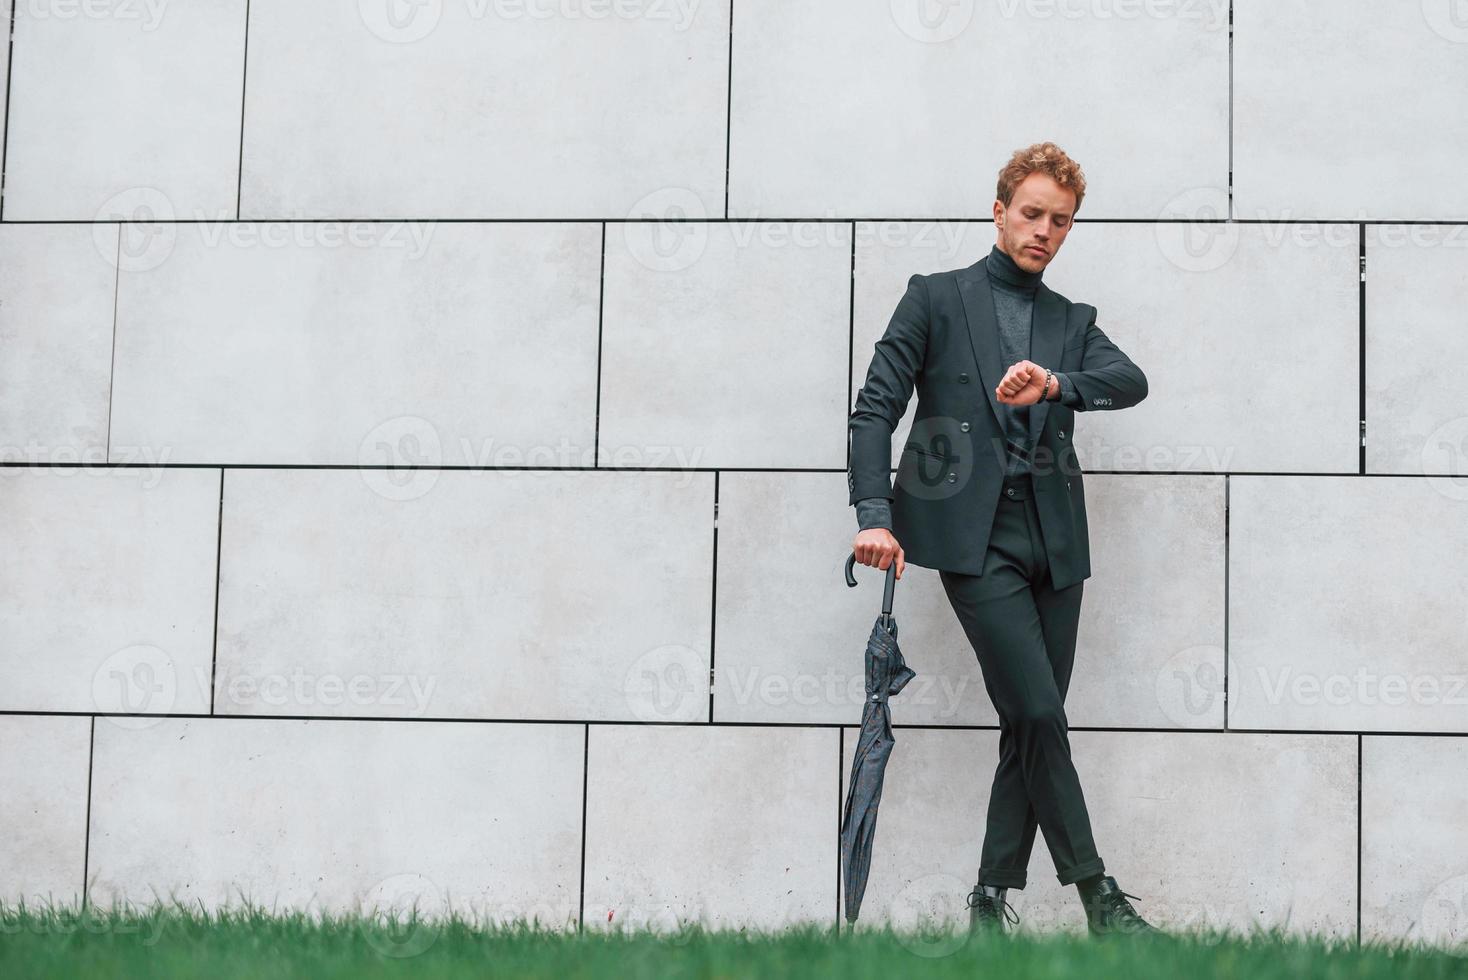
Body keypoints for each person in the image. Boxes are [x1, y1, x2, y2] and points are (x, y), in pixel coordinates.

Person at [847, 141, 1157, 938]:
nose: (1044, 231)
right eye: (1031, 213)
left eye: (1061, 221)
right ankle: (1099, 896)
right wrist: (873, 515)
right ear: (999, 210)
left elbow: (1130, 382)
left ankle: (989, 901)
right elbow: (875, 408)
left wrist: (1057, 383)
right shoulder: (934, 298)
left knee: (1030, 717)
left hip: (1055, 543)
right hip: (971, 539)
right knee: (1040, 712)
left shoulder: (1070, 321)